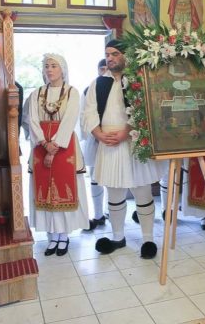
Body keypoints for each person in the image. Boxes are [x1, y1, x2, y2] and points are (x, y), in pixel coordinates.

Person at [82, 39, 165, 259]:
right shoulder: (98, 83)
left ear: (126, 55)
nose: (110, 58)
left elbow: (147, 109)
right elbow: (88, 112)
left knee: (142, 192)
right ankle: (118, 237)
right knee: (115, 193)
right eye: (107, 54)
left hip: (134, 142)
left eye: (115, 54)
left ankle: (148, 239)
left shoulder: (139, 79)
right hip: (108, 143)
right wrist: (98, 133)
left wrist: (127, 132)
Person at [27, 53, 89, 256]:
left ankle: (63, 236)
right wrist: (44, 143)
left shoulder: (72, 92)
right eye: (47, 66)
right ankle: (52, 236)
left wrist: (54, 146)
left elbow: (69, 120)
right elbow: (32, 120)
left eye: (54, 65)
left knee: (63, 188)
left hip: (64, 146)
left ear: (63, 69)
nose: (49, 69)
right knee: (44, 189)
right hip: (41, 146)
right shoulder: (36, 93)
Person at [79, 58, 108, 230]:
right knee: (95, 176)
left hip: (114, 138)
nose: (104, 71)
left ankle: (110, 211)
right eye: (101, 68)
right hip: (95, 138)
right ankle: (98, 215)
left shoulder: (119, 87)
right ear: (97, 70)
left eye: (106, 68)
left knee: (114, 178)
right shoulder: (89, 89)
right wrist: (94, 133)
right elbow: (83, 115)